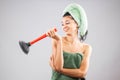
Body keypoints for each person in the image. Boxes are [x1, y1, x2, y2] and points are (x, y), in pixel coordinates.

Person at [46, 3, 92, 80]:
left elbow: (82, 73)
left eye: (67, 23)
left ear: (77, 23)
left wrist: (60, 70)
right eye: (62, 24)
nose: (64, 26)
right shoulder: (56, 40)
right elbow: (58, 66)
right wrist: (59, 41)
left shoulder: (86, 48)